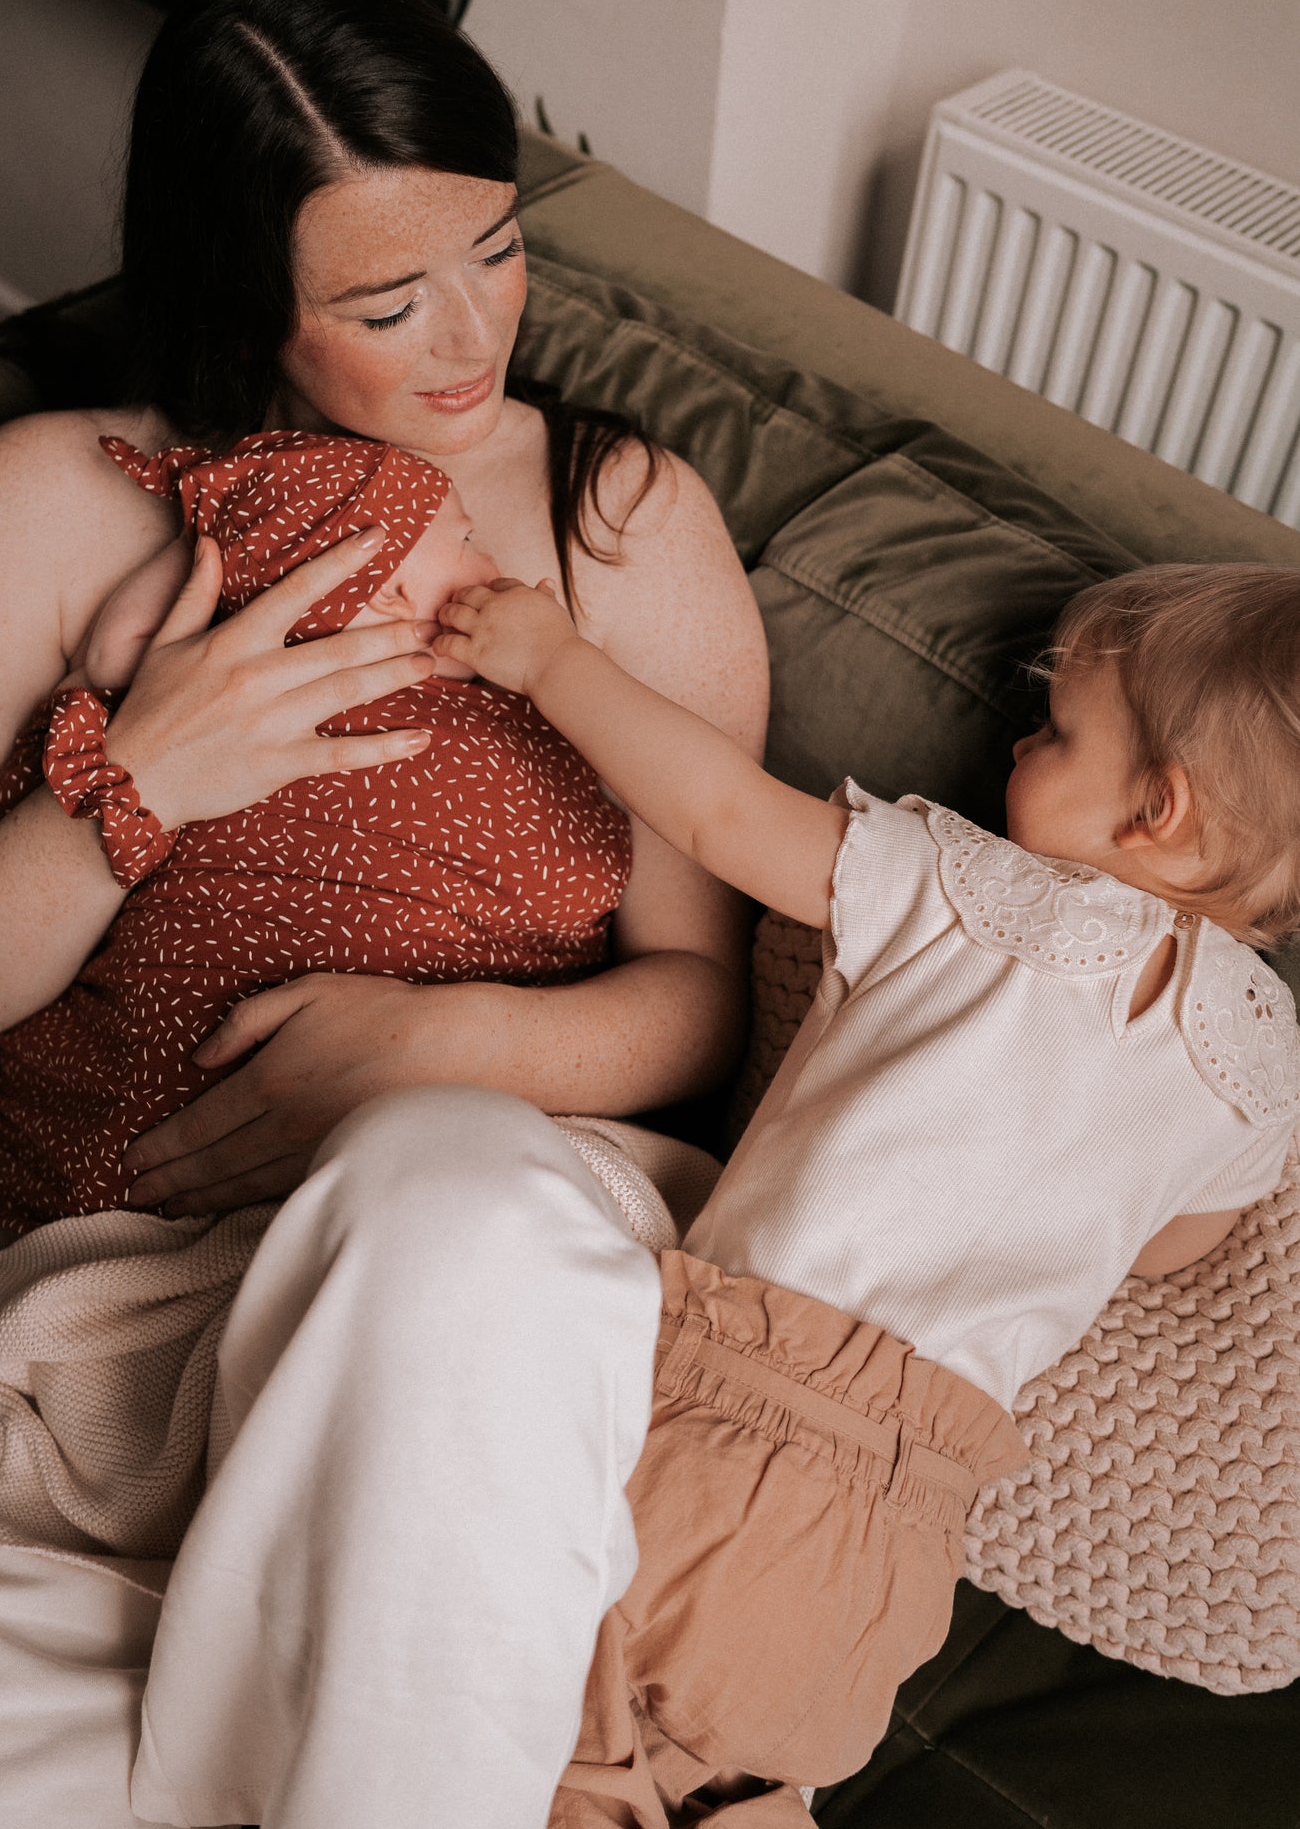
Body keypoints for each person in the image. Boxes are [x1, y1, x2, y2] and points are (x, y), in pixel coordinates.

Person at [0, 0, 770, 1829]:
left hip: (467, 1243)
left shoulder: (622, 525)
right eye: (383, 298)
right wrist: (142, 783)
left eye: (499, 251)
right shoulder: (56, 500)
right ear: (235, 291)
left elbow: (703, 990)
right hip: (94, 1310)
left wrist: (436, 1044)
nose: (472, 336)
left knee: (446, 1196)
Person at [437, 558, 1300, 1822]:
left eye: (1055, 731)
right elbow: (1175, 1242)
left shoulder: (966, 888)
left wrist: (552, 661)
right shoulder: (1259, 1059)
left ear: (1153, 813)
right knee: (732, 1763)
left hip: (722, 1405)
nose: (1016, 740)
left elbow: (722, 814)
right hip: (906, 1530)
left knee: (524, 1720)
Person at [0, 427, 697, 1236]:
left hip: (410, 1182)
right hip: (145, 1189)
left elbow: (694, 971)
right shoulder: (191, 698)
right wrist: (134, 746)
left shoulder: (607, 553)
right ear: (385, 595)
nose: (496, 568)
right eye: (466, 542)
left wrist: (451, 1040)